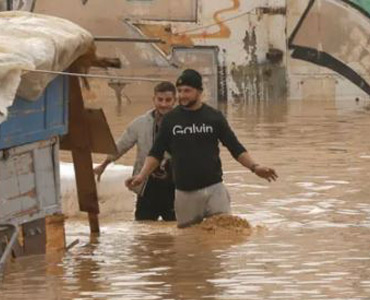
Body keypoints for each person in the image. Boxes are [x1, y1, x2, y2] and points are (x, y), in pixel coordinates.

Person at [126, 69, 278, 228]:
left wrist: (255, 167)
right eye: (180, 91)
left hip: (214, 189)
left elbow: (235, 147)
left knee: (224, 234)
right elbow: (156, 153)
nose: (182, 95)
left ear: (199, 91)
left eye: (187, 91)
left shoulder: (214, 117)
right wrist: (142, 176)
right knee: (188, 242)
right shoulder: (171, 120)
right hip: (185, 193)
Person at [94, 81, 177, 221]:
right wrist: (104, 165)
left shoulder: (184, 124)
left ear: (175, 101)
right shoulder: (140, 123)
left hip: (175, 185)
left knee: (178, 231)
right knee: (143, 230)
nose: (163, 104)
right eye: (160, 99)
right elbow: (121, 146)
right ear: (154, 99)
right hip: (146, 184)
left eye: (168, 100)